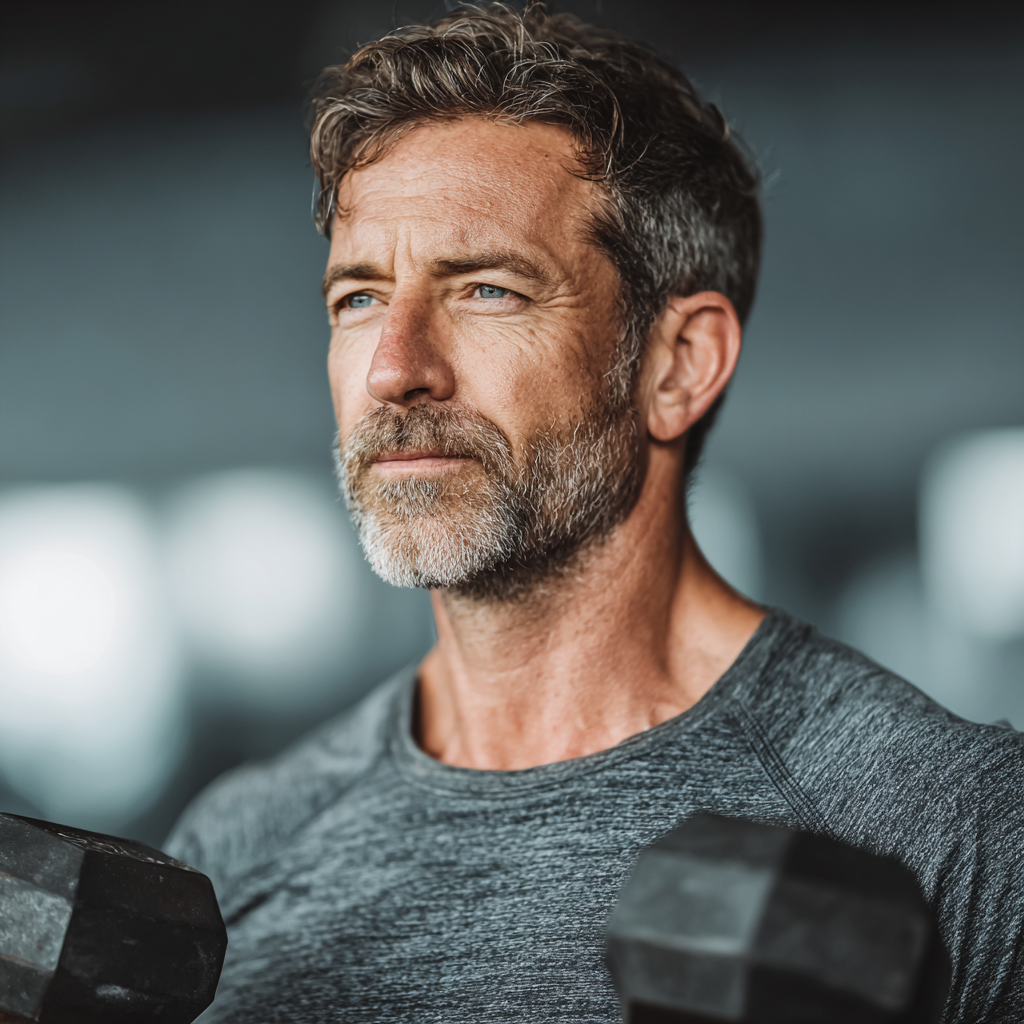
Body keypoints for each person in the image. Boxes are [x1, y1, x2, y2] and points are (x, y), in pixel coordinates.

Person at [166, 5, 1024, 1021]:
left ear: (677, 365)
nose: (394, 368)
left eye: (487, 290)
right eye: (357, 299)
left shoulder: (950, 825)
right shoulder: (236, 851)